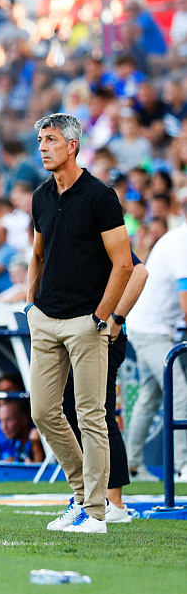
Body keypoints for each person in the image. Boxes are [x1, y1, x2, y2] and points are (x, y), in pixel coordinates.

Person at [25, 113, 133, 534]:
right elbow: (37, 254)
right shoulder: (41, 196)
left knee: (92, 415)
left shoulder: (100, 196)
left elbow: (124, 264)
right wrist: (30, 305)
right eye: (39, 141)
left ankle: (97, 512)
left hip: (86, 321)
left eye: (50, 140)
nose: (43, 147)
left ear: (72, 145)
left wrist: (101, 318)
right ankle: (80, 496)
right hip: (46, 319)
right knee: (43, 410)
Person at [62, 253, 148, 522]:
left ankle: (115, 502)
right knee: (70, 410)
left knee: (98, 415)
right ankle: (89, 494)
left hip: (101, 335)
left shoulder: (101, 229)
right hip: (75, 333)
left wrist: (117, 317)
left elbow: (139, 273)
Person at [124, 200, 187, 483]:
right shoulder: (182, 241)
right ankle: (183, 466)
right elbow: (186, 301)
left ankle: (132, 466)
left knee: (150, 395)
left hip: (149, 325)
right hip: (150, 328)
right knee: (180, 393)